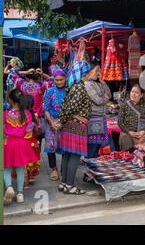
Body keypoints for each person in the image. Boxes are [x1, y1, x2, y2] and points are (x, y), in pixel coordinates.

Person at [56, 63, 92, 195]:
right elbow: (71, 107)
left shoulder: (72, 87)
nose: (88, 75)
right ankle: (70, 185)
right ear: (83, 74)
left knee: (67, 154)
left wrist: (62, 120)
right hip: (76, 125)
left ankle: (64, 183)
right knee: (75, 155)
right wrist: (62, 119)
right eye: (87, 73)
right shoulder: (79, 88)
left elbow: (65, 106)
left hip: (69, 124)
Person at [0, 89, 37, 205]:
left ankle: (9, 187)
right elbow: (29, 131)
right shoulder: (27, 114)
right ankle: (20, 194)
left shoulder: (5, 114)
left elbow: (2, 130)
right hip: (22, 143)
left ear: (9, 100)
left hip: (8, 143)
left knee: (6, 168)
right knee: (20, 169)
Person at [43, 68, 67, 181]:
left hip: (65, 122)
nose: (58, 82)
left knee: (65, 146)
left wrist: (62, 121)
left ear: (65, 79)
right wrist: (52, 122)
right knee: (50, 146)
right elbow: (46, 109)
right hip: (51, 122)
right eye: (56, 80)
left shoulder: (69, 91)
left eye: (61, 80)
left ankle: (64, 169)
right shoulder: (50, 91)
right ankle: (53, 169)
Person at [84, 63, 112, 159]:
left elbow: (109, 94)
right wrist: (105, 99)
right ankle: (88, 170)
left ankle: (93, 168)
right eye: (96, 70)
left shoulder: (98, 83)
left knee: (97, 147)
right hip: (94, 118)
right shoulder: (88, 84)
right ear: (89, 72)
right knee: (92, 146)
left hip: (101, 118)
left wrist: (103, 82)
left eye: (99, 71)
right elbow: (98, 101)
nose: (98, 73)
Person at [118, 84, 145, 151]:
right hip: (128, 133)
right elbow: (120, 122)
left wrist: (144, 131)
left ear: (141, 95)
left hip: (142, 134)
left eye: (136, 92)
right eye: (132, 92)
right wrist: (129, 132)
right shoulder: (124, 106)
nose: (133, 94)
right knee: (126, 142)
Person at [21, 95, 41, 187]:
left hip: (21, 140)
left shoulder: (19, 115)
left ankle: (25, 182)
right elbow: (37, 129)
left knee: (23, 160)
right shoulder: (34, 115)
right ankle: (31, 177)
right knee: (31, 159)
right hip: (32, 140)